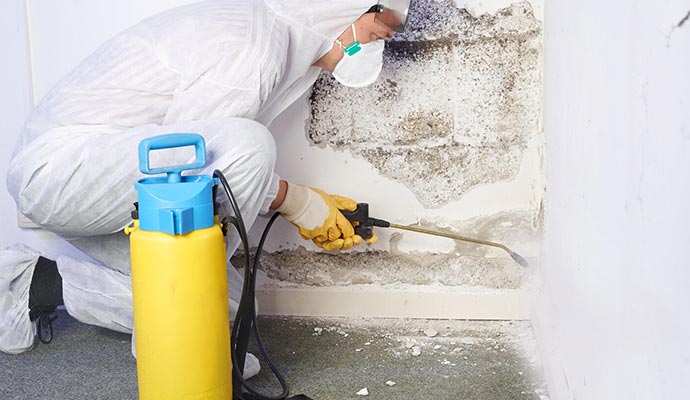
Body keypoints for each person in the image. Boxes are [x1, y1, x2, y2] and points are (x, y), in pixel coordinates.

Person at [0, 0, 405, 376]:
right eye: (379, 29)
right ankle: (176, 353)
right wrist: (294, 201)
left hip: (103, 175)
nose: (379, 44)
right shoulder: (254, 50)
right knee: (249, 147)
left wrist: (297, 202)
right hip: (63, 172)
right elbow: (188, 166)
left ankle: (38, 282)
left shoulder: (272, 38)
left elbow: (193, 162)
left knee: (231, 305)